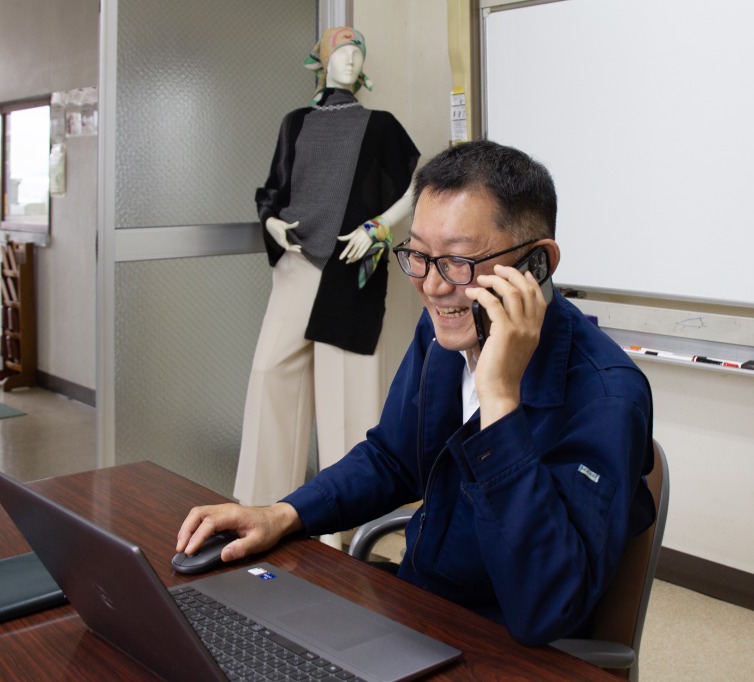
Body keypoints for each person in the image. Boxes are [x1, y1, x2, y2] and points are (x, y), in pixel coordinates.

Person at [181, 140, 655, 646]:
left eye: (457, 261)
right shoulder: (444, 334)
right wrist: (283, 514)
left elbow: (547, 608)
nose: (431, 286)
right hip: (420, 607)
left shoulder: (608, 397)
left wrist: (499, 401)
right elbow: (391, 457)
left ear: (537, 264)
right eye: (419, 256)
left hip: (501, 645)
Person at [233, 27, 420, 521]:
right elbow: (274, 187)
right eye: (341, 53)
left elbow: (417, 185)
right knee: (270, 374)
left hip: (350, 269)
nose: (350, 61)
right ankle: (260, 509)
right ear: (321, 62)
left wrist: (379, 228)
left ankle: (345, 523)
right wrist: (271, 221)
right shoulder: (294, 123)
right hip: (296, 264)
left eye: (358, 53)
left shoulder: (381, 125)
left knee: (348, 398)